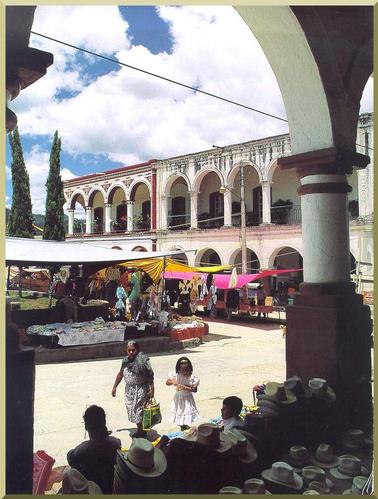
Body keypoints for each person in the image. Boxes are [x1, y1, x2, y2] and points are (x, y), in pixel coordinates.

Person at [66, 405, 121, 494]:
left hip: (93, 489)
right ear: (104, 422)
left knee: (70, 473)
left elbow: (70, 457)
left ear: (86, 427)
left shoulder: (83, 450)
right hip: (111, 487)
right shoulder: (115, 443)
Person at [112, 340, 155, 438]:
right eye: (129, 350)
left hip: (141, 389)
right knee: (132, 410)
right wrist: (114, 387)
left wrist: (152, 389)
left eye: (133, 350)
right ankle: (141, 429)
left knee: (139, 410)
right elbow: (120, 374)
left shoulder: (143, 361)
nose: (131, 352)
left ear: (138, 350)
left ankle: (141, 432)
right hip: (129, 390)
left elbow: (150, 375)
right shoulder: (125, 361)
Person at [166, 356, 200, 431]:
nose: (184, 371)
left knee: (186, 412)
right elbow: (167, 382)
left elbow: (194, 390)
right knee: (180, 412)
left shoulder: (192, 378)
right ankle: (183, 427)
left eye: (186, 369)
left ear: (190, 368)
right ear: (179, 369)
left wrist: (184, 387)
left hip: (188, 398)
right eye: (182, 369)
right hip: (179, 398)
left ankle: (185, 426)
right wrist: (172, 381)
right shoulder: (176, 376)